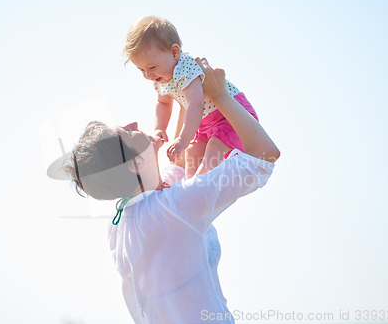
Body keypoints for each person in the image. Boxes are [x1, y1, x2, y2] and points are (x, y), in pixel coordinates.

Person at [62, 58, 280, 323]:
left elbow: (178, 165)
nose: (133, 124)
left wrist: (187, 89)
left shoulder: (120, 223)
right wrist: (221, 94)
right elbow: (265, 156)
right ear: (135, 165)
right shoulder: (173, 208)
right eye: (127, 134)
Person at [124, 16, 260, 178]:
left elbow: (195, 104)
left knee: (213, 150)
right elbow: (163, 103)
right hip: (204, 123)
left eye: (152, 67)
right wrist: (160, 128)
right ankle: (188, 188)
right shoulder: (160, 77)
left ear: (174, 52)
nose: (147, 74)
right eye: (141, 70)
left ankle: (199, 187)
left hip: (230, 116)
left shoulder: (186, 67)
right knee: (191, 153)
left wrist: (182, 138)